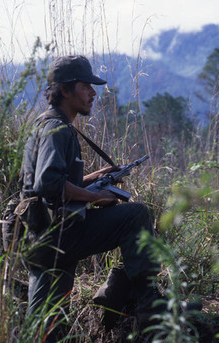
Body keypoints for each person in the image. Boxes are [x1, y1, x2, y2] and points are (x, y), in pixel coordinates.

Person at [20, 55, 161, 341]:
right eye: (86, 86)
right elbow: (48, 184)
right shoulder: (55, 128)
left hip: (49, 237)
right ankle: (150, 307)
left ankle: (138, 301)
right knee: (134, 215)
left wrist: (97, 178)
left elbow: (53, 183)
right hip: (56, 237)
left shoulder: (53, 124)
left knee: (49, 327)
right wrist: (97, 198)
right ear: (65, 90)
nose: (93, 93)